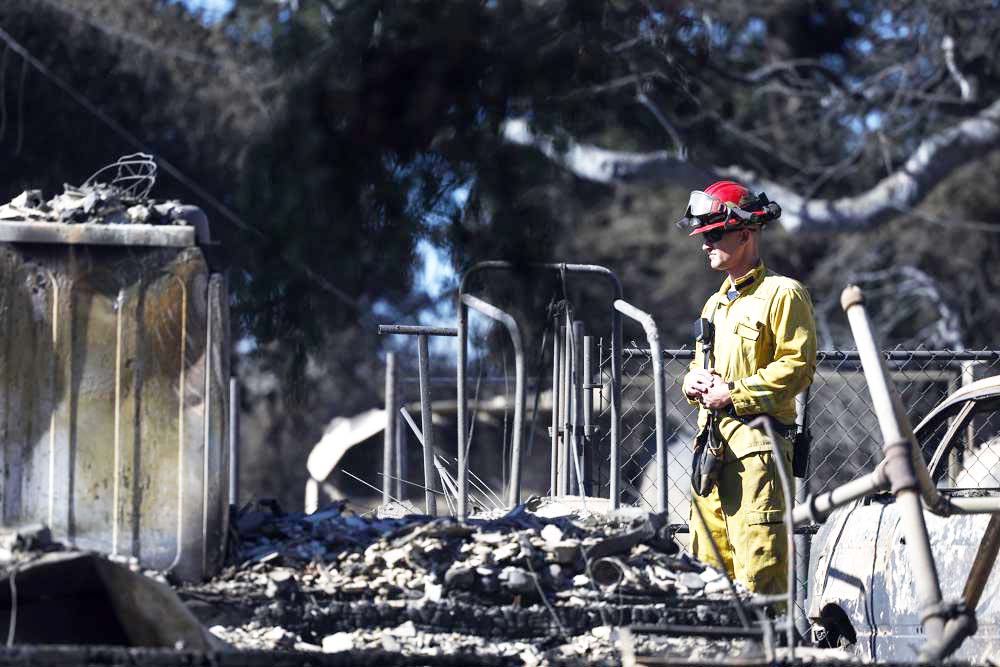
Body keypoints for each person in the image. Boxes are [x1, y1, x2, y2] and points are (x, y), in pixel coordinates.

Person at [676, 180, 817, 594]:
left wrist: (734, 394)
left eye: (715, 234)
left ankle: (766, 639)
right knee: (708, 578)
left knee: (759, 577)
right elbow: (701, 364)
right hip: (710, 456)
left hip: (758, 458)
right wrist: (692, 381)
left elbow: (797, 367)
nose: (706, 244)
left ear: (746, 232)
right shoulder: (715, 304)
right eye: (703, 236)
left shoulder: (783, 294)